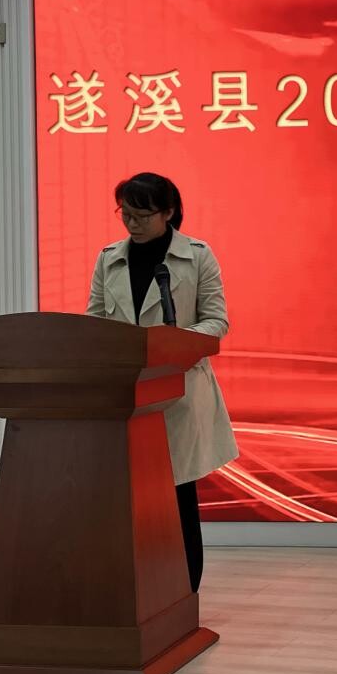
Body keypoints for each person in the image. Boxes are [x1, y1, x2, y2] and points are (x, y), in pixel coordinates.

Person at [84, 172, 239, 592]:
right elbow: (94, 320)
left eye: (142, 215)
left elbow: (216, 321)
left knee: (177, 499)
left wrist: (174, 345)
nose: (131, 224)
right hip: (125, 397)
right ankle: (134, 593)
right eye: (125, 214)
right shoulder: (109, 258)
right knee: (128, 502)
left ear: (168, 213)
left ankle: (185, 595)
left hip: (177, 394)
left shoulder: (197, 256)